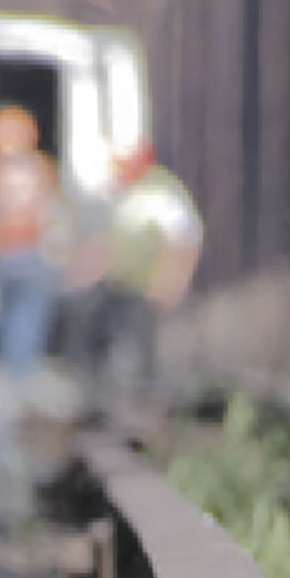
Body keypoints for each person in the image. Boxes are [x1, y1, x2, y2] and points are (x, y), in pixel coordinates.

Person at [61, 142, 203, 400]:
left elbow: (185, 238)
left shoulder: (161, 193)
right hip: (118, 279)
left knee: (139, 343)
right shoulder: (123, 192)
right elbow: (112, 237)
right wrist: (87, 266)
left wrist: (173, 278)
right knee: (90, 324)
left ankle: (141, 398)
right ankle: (93, 391)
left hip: (145, 283)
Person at [0, 105, 70, 382]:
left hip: (11, 252)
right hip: (23, 252)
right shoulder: (38, 169)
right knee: (25, 312)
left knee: (16, 311)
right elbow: (53, 211)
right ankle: (19, 369)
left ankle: (14, 367)